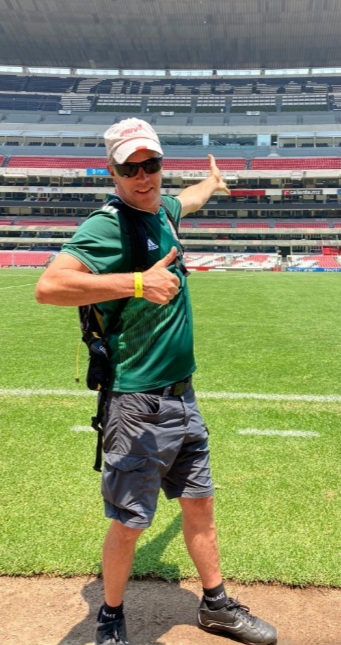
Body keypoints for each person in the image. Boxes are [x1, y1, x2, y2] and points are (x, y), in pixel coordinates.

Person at [35, 118, 277, 645]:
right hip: (136, 404)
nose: (143, 176)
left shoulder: (161, 210)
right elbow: (49, 286)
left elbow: (185, 200)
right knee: (130, 521)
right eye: (130, 167)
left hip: (181, 395)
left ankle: (214, 606)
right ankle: (110, 618)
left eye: (152, 164)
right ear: (112, 171)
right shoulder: (108, 225)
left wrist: (213, 183)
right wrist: (138, 282)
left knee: (199, 503)